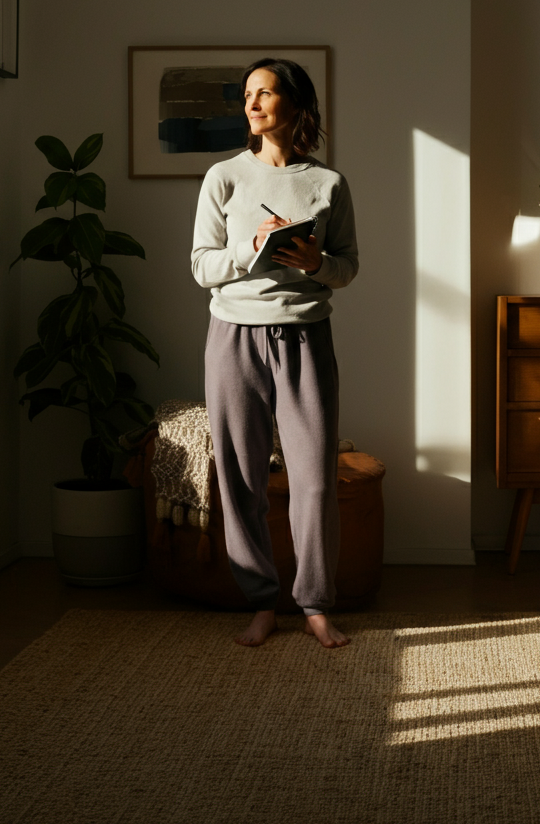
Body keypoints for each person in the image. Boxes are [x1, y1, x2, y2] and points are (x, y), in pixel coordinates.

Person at [190, 58, 359, 648]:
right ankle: (261, 600)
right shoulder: (224, 178)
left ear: (295, 105)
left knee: (314, 481)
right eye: (247, 95)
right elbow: (201, 265)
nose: (253, 103)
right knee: (240, 480)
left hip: (306, 337)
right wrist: (250, 248)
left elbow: (348, 267)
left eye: (265, 93)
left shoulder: (328, 184)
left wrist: (317, 264)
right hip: (233, 335)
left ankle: (314, 603)